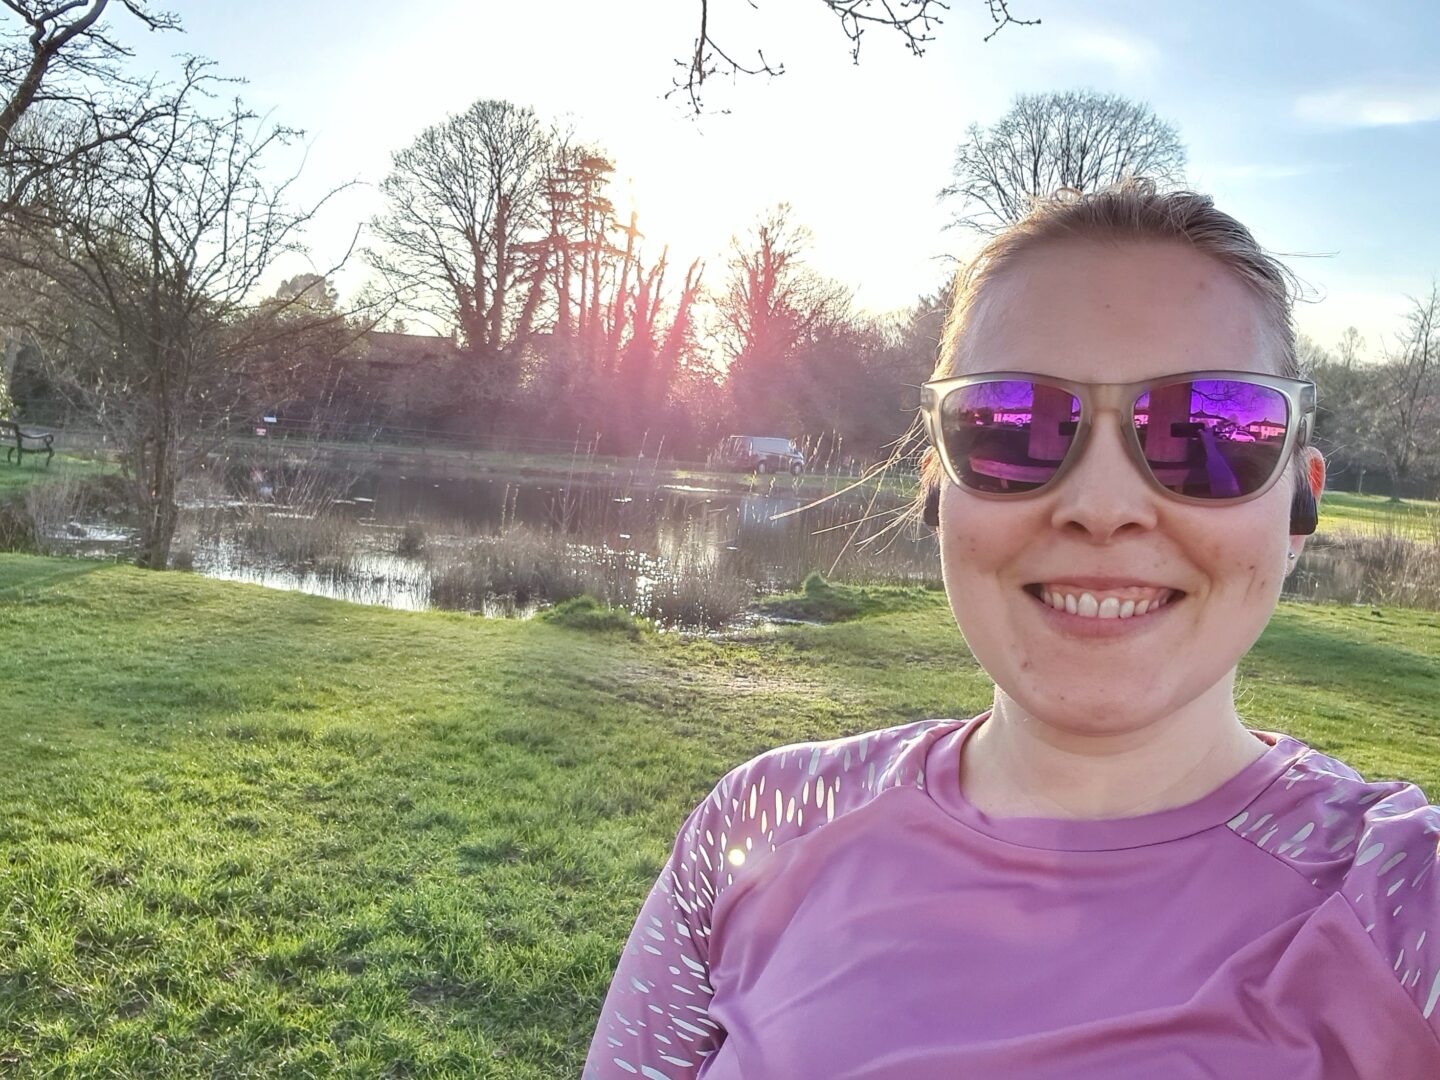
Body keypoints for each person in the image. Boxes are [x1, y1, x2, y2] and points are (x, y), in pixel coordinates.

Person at [583, 181, 1440, 1079]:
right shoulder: (757, 830)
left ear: (1298, 506)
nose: (1103, 508)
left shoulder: (1401, 900)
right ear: (938, 490)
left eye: (1207, 432)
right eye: (1017, 426)